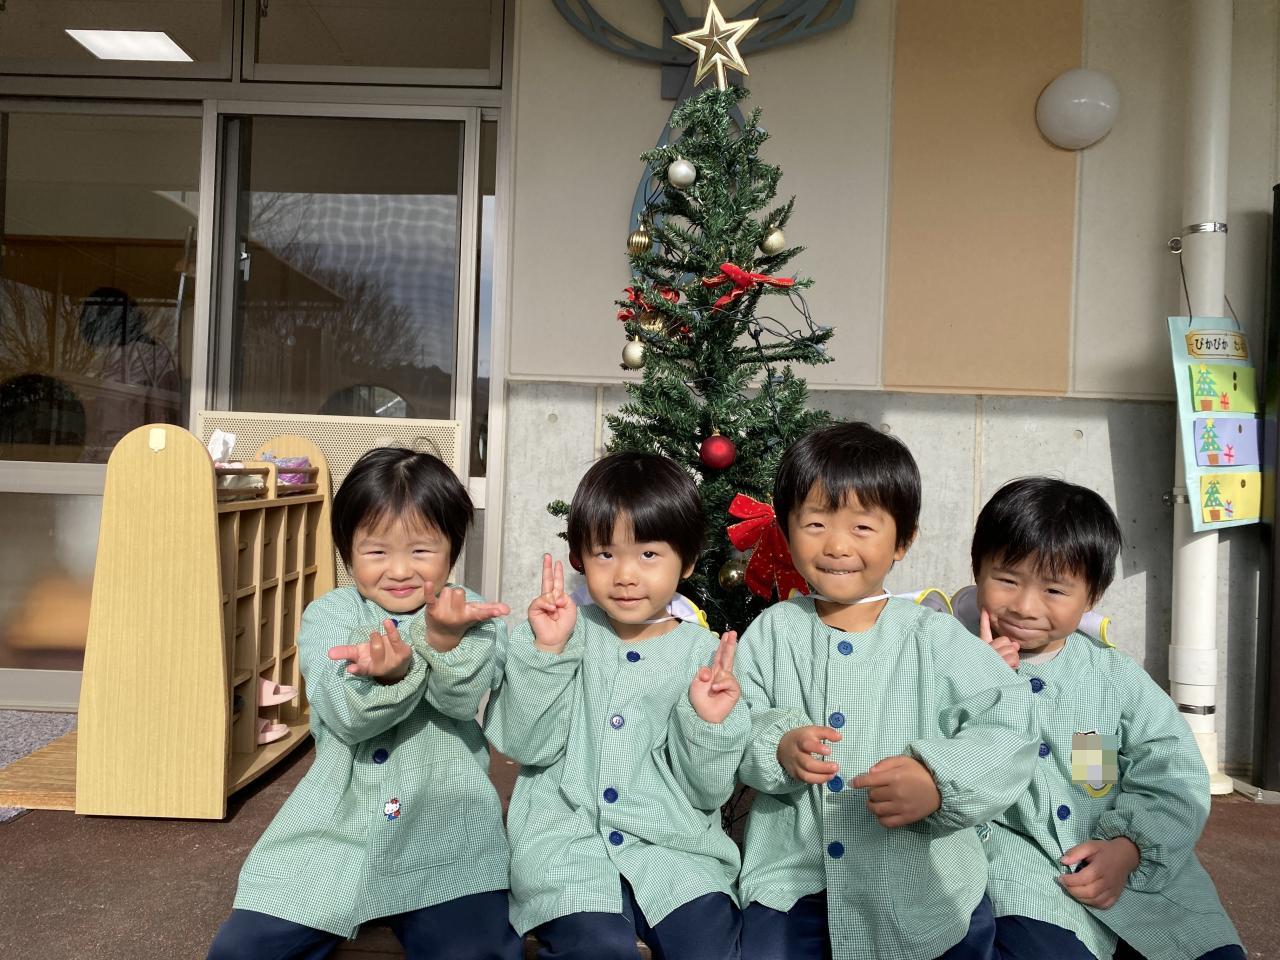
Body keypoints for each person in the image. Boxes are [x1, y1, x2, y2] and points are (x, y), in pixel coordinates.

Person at [734, 421, 1039, 960]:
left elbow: (1010, 725)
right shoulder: (773, 631)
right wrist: (778, 746)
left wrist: (939, 780)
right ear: (786, 528)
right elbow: (739, 721)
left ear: (903, 540)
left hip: (924, 884)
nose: (836, 545)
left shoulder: (933, 636)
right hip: (796, 879)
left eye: (862, 527)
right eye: (815, 523)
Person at [208, 447, 522, 960]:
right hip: (336, 830)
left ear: (451, 549)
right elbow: (346, 719)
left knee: (476, 951)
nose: (399, 570)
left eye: (421, 550)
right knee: (242, 951)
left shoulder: (469, 614)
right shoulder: (329, 615)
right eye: (376, 551)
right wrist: (392, 677)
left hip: (446, 829)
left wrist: (441, 643)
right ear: (347, 551)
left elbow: (461, 701)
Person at [485, 452, 748, 960]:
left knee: (710, 944)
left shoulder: (703, 657)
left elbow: (706, 791)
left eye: (648, 554)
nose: (626, 574)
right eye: (605, 554)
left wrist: (708, 724)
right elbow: (523, 745)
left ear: (687, 561)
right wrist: (547, 654)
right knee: (596, 948)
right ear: (580, 557)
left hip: (674, 850)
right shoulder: (558, 633)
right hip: (567, 848)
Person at [969, 477, 1244, 960]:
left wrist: (1130, 848)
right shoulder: (952, 664)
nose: (1025, 607)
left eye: (1055, 589)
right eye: (1007, 580)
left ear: (1092, 596)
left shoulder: (1114, 677)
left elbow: (1174, 773)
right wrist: (984, 685)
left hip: (1144, 880)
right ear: (977, 570)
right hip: (1029, 877)